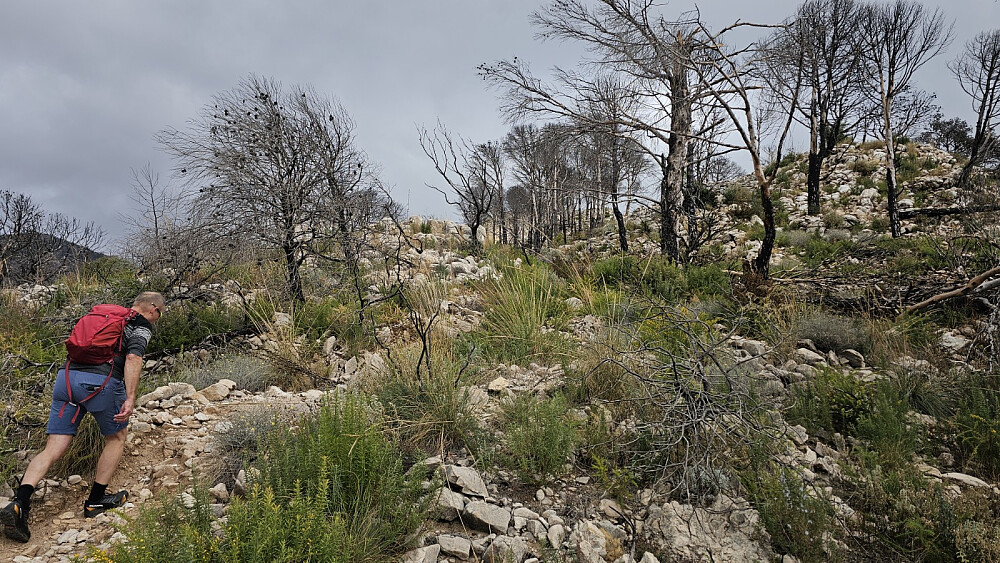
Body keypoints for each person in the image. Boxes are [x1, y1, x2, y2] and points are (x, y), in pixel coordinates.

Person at [1, 292, 165, 543]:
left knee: (53, 447)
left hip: (66, 381)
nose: (157, 319)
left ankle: (19, 504)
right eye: (159, 314)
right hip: (101, 383)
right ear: (153, 308)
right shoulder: (138, 324)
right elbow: (133, 358)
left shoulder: (103, 315)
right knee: (117, 437)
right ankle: (95, 501)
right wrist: (130, 398)